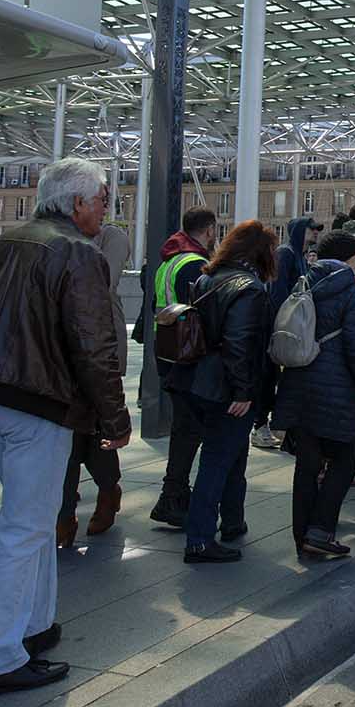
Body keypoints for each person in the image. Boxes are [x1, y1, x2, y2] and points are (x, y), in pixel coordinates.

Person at [0, 158, 130, 697]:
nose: (106, 208)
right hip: (39, 405)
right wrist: (114, 417)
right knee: (23, 530)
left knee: (29, 521)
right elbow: (93, 345)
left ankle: (36, 625)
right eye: (102, 199)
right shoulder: (78, 253)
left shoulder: (3, 246)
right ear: (77, 203)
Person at [166, 220, 276, 563]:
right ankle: (199, 539)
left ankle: (232, 520)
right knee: (216, 461)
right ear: (260, 252)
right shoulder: (250, 288)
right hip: (226, 388)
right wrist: (244, 392)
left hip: (197, 380)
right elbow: (239, 343)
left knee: (231, 455)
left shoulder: (207, 277)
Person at [275, 229, 355, 559]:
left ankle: (302, 535)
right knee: (345, 457)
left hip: (298, 382)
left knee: (306, 463)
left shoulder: (302, 279)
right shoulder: (349, 290)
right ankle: (320, 530)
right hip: (335, 387)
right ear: (347, 257)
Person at [56, 222, 130, 547]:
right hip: (62, 351)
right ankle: (65, 511)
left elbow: (103, 285)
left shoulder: (112, 237)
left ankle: (107, 488)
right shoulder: (57, 237)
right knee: (70, 437)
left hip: (100, 347)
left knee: (95, 430)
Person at [149, 207, 218, 527]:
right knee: (189, 430)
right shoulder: (195, 264)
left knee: (185, 427)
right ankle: (172, 497)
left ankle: (175, 494)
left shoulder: (169, 260)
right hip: (187, 355)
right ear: (209, 230)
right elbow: (205, 312)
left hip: (165, 350)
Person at [255, 215, 322, 451]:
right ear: (299, 231)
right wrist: (282, 323)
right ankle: (260, 425)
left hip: (289, 324)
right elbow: (278, 290)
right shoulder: (286, 254)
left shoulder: (299, 256)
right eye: (311, 229)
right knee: (269, 375)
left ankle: (270, 425)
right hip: (282, 324)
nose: (315, 232)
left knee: (277, 377)